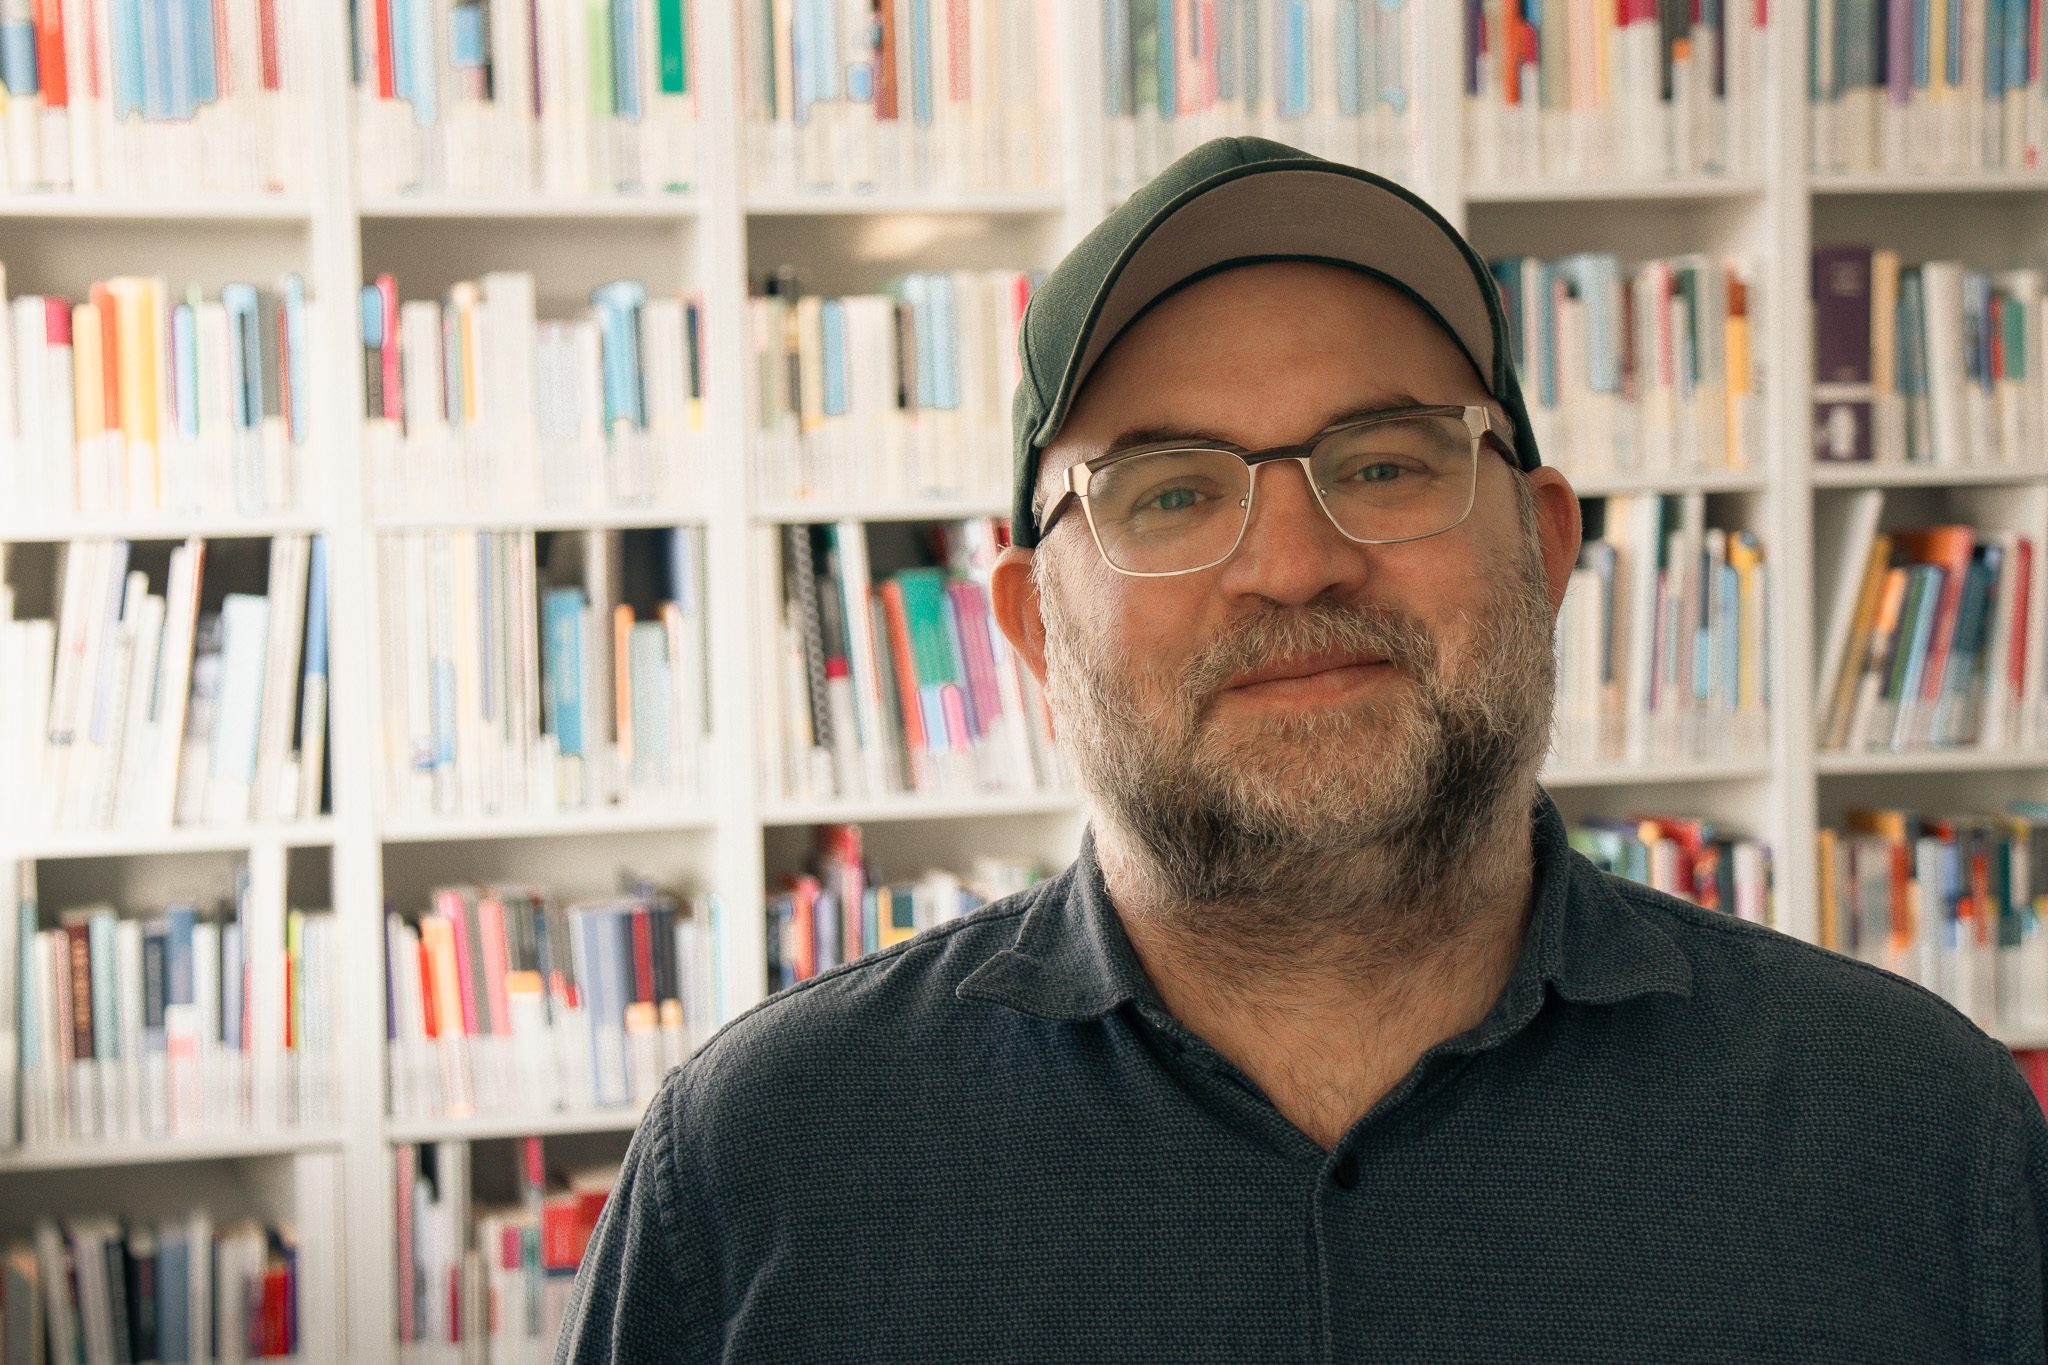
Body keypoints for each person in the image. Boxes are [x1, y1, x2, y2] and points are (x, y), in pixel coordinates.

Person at [555, 138, 2048, 1363]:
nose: (1292, 564)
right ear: (1031, 628)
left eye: (1386, 463)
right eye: (1168, 493)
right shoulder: (760, 1167)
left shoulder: (1917, 1134)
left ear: (1544, 547)